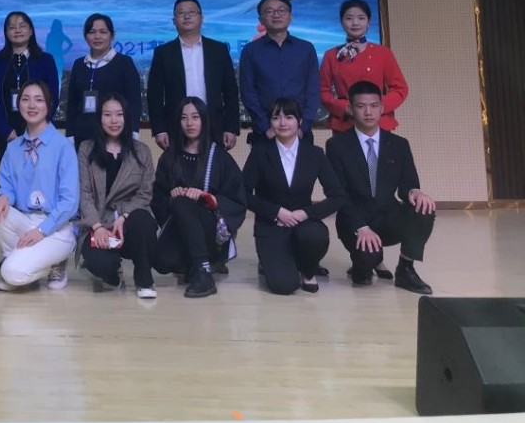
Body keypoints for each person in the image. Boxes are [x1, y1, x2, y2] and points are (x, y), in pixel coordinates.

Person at [325, 81, 435, 294]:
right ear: (351, 108)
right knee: (364, 274)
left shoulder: (399, 144)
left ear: (382, 108)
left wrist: (415, 191)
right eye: (361, 106)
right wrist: (361, 227)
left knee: (424, 209)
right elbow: (339, 195)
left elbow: (408, 185)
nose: (368, 112)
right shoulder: (337, 146)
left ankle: (406, 269)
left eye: (374, 106)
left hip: (388, 217)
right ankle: (363, 264)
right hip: (356, 221)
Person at [242, 98, 345, 295]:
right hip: (271, 225)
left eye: (289, 117)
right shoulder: (259, 153)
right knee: (283, 286)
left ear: (300, 121)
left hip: (304, 223)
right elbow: (242, 193)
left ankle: (308, 270)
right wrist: (276, 212)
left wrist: (305, 213)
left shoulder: (315, 154)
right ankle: (281, 262)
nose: (282, 123)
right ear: (270, 122)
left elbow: (337, 196)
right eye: (276, 118)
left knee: (315, 235)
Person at [152, 97, 247, 298]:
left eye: (195, 117)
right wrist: (172, 197)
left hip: (212, 233)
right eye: (184, 118)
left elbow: (237, 199)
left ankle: (203, 271)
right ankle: (195, 265)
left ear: (204, 120)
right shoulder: (169, 157)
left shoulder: (219, 156)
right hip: (180, 229)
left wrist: (208, 197)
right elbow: (157, 197)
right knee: (161, 260)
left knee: (182, 202)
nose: (190, 123)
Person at [0, 80, 79, 292]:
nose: (31, 105)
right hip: (25, 219)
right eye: (26, 99)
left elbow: (70, 202)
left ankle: (54, 262)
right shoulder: (13, 148)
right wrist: (4, 198)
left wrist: (42, 230)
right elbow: (7, 186)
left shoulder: (63, 147)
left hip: (56, 225)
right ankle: (27, 262)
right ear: (18, 104)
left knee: (11, 273)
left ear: (48, 105)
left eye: (38, 100)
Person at [75, 94, 159, 297]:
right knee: (101, 264)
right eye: (107, 115)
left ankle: (144, 280)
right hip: (97, 223)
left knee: (144, 220)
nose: (114, 120)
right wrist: (97, 227)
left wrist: (123, 215)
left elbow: (145, 193)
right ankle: (112, 273)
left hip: (128, 222)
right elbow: (84, 193)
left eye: (119, 114)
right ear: (99, 118)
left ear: (126, 117)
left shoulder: (142, 151)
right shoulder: (86, 149)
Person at [147, 0, 240, 150]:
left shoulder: (218, 50)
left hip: (214, 125)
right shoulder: (163, 53)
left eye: (192, 12)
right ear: (174, 20)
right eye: (181, 13)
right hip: (176, 126)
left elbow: (230, 90)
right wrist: (159, 129)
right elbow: (154, 95)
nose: (187, 16)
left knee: (213, 165)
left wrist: (231, 127)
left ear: (201, 18)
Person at [0, 11, 61, 165]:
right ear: (6, 33)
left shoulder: (45, 61)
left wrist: (38, 129)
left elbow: (53, 98)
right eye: (12, 27)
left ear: (31, 31)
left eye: (22, 26)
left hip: (38, 134)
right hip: (4, 135)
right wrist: (5, 131)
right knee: (8, 176)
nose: (17, 30)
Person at [238, 0, 320, 145]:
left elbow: (313, 90)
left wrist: (303, 127)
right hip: (265, 134)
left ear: (290, 17)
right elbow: (248, 92)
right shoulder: (250, 51)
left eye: (281, 10)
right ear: (261, 19)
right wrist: (266, 127)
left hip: (300, 133)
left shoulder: (306, 49)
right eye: (269, 11)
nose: (276, 15)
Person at [319, 0, 409, 133]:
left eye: (361, 18)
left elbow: (400, 88)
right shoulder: (332, 55)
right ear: (341, 22)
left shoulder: (383, 53)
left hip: (379, 124)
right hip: (345, 124)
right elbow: (322, 91)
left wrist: (376, 107)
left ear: (368, 22)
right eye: (349, 18)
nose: (355, 23)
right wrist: (345, 107)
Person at [64, 13, 142, 147]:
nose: (97, 36)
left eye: (103, 32)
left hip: (114, 135)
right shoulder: (78, 64)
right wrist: (70, 134)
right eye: (92, 32)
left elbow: (134, 101)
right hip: (82, 135)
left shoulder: (124, 63)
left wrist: (133, 132)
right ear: (85, 36)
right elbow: (72, 103)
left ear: (112, 35)